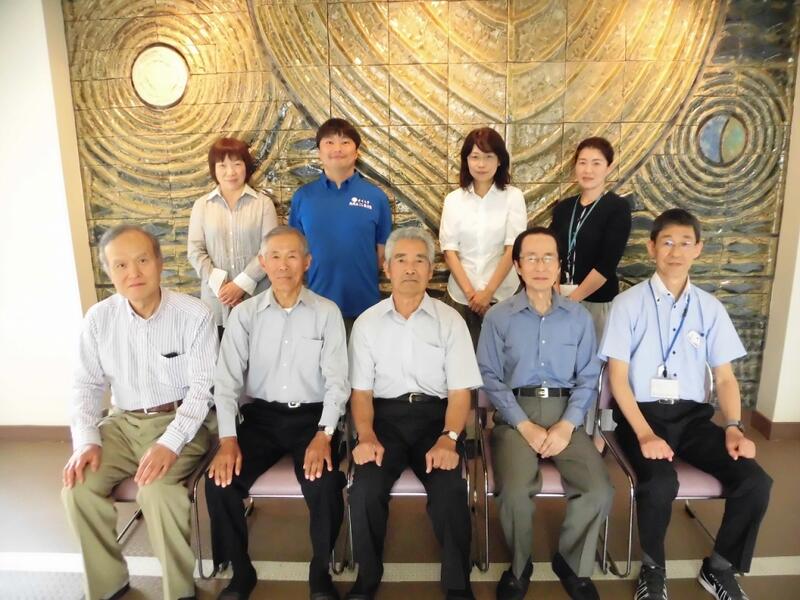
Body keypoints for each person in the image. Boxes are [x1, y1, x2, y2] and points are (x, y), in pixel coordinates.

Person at [599, 209, 772, 600]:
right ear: (652, 248)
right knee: (659, 482)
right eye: (667, 242)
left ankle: (720, 567)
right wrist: (645, 434)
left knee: (755, 481)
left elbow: (724, 378)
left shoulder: (710, 308)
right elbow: (617, 380)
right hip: (641, 416)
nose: (675, 252)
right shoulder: (627, 304)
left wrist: (734, 427)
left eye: (684, 243)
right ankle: (653, 568)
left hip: (692, 419)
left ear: (698, 249)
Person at [62, 224, 218, 600]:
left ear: (160, 262)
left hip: (181, 421)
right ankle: (108, 586)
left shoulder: (194, 314)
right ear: (108, 271)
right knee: (78, 488)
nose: (133, 272)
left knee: (159, 492)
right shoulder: (98, 319)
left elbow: (203, 389)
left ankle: (180, 592)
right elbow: (85, 386)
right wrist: (86, 441)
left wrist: (169, 443)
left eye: (142, 260)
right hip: (122, 422)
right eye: (120, 265)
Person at [205, 226, 349, 600]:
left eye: (292, 256)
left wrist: (325, 434)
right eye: (275, 257)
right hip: (261, 419)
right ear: (263, 263)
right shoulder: (244, 314)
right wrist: (227, 439)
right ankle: (241, 572)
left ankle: (320, 572)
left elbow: (337, 383)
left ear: (307, 262)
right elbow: (226, 382)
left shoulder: (327, 312)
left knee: (325, 484)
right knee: (219, 483)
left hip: (312, 420)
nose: (283, 265)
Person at [346, 227, 483, 600]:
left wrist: (449, 438)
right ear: (387, 268)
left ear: (431, 269)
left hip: (436, 420)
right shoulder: (367, 323)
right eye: (401, 260)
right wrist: (366, 435)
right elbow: (361, 393)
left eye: (419, 260)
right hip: (383, 421)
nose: (410, 268)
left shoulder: (450, 320)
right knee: (366, 488)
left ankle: (457, 585)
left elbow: (460, 392)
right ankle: (367, 577)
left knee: (450, 489)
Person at [477, 227, 611, 600]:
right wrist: (524, 425)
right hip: (514, 416)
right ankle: (520, 567)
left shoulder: (578, 317)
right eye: (531, 258)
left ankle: (572, 563)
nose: (540, 266)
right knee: (515, 491)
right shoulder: (498, 317)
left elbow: (588, 377)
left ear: (559, 265)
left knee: (599, 490)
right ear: (518, 266)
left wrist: (568, 425)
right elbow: (488, 376)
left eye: (548, 257)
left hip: (566, 414)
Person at [289, 118, 392, 332]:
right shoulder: (303, 197)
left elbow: (382, 253)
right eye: (329, 142)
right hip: (315, 306)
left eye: (345, 142)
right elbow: (295, 253)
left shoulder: (376, 197)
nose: (337, 148)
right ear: (319, 152)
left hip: (365, 306)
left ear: (356, 152)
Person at [439, 127, 527, 347]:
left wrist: (488, 292)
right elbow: (449, 251)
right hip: (462, 297)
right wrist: (472, 295)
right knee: (462, 358)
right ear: (466, 160)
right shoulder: (454, 200)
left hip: (503, 295)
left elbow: (513, 248)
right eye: (475, 157)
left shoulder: (513, 197)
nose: (481, 164)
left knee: (503, 358)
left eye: (488, 157)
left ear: (500, 160)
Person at [188, 137, 278, 336]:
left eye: (237, 164)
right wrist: (222, 286)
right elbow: (195, 251)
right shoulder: (202, 205)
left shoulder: (263, 204)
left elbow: (270, 250)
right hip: (216, 302)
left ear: (246, 167)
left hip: (256, 298)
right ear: (214, 169)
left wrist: (240, 285)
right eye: (223, 165)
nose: (231, 172)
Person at [550, 137, 631, 340]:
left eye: (596, 163)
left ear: (608, 168)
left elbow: (607, 264)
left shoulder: (617, 208)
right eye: (582, 162)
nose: (588, 170)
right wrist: (556, 294)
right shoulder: (563, 208)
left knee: (592, 356)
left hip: (596, 301)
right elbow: (551, 253)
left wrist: (573, 300)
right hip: (558, 299)